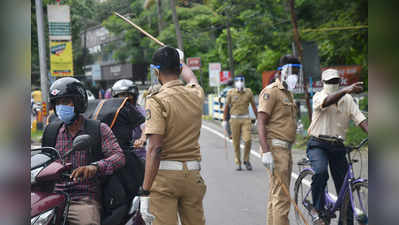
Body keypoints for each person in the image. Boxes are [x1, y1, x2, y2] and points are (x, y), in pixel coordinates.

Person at [136, 46, 207, 225]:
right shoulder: (195, 94)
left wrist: (145, 190)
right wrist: (181, 62)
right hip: (192, 176)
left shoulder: (157, 99)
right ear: (179, 68)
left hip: (165, 178)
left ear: (156, 71)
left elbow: (155, 148)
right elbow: (191, 78)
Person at [46, 77, 125, 225]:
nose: (61, 107)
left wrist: (95, 167)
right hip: (52, 196)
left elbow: (118, 156)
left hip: (82, 198)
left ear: (79, 102)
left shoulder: (98, 129)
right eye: (57, 103)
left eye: (66, 102)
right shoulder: (51, 132)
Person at [306, 69, 368, 225]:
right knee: (320, 171)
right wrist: (346, 89)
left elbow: (361, 119)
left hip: (338, 145)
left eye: (336, 81)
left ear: (339, 82)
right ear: (323, 83)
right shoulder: (319, 96)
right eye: (330, 82)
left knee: (345, 188)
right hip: (318, 144)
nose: (333, 84)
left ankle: (346, 221)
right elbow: (326, 103)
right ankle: (317, 209)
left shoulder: (348, 100)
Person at [257, 55, 300, 225]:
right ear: (282, 71)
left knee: (275, 196)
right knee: (282, 199)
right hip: (276, 149)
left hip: (286, 149)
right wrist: (266, 151)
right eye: (292, 72)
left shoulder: (288, 94)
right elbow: (260, 121)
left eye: (297, 73)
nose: (295, 76)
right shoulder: (271, 91)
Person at [223, 75, 257, 171]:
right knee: (236, 142)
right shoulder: (231, 93)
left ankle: (246, 160)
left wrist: (258, 119)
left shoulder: (248, 92)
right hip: (234, 120)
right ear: (235, 82)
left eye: (241, 80)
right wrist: (224, 120)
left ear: (244, 81)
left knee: (248, 140)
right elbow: (226, 107)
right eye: (238, 80)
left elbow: (254, 106)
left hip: (246, 119)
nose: (240, 82)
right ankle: (238, 162)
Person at [111, 79, 147, 161]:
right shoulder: (113, 112)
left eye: (128, 95)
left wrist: (142, 139)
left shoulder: (139, 111)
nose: (125, 99)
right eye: (121, 95)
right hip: (117, 156)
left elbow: (146, 126)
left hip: (138, 156)